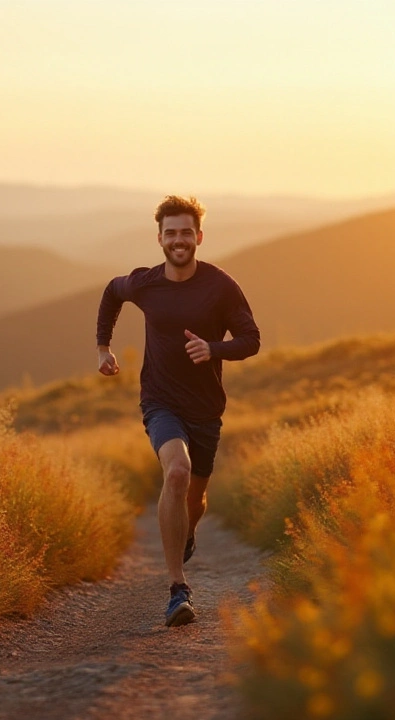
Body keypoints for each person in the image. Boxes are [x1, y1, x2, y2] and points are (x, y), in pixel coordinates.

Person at [95, 195, 261, 627]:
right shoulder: (146, 283)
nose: (179, 239)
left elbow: (251, 339)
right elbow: (112, 292)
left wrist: (214, 348)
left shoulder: (220, 286)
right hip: (160, 402)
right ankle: (177, 589)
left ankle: (185, 531)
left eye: (186, 232)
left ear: (199, 236)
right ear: (160, 239)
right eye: (171, 233)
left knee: (195, 497)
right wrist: (103, 348)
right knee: (177, 472)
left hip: (206, 409)